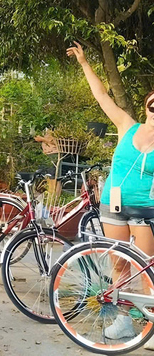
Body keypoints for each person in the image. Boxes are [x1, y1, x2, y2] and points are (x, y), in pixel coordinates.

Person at [67, 42, 154, 344]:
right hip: (113, 206)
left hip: (145, 210)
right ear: (145, 108)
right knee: (119, 264)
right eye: (152, 104)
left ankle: (149, 322)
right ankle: (124, 320)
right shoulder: (127, 126)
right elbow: (102, 96)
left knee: (146, 269)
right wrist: (84, 63)